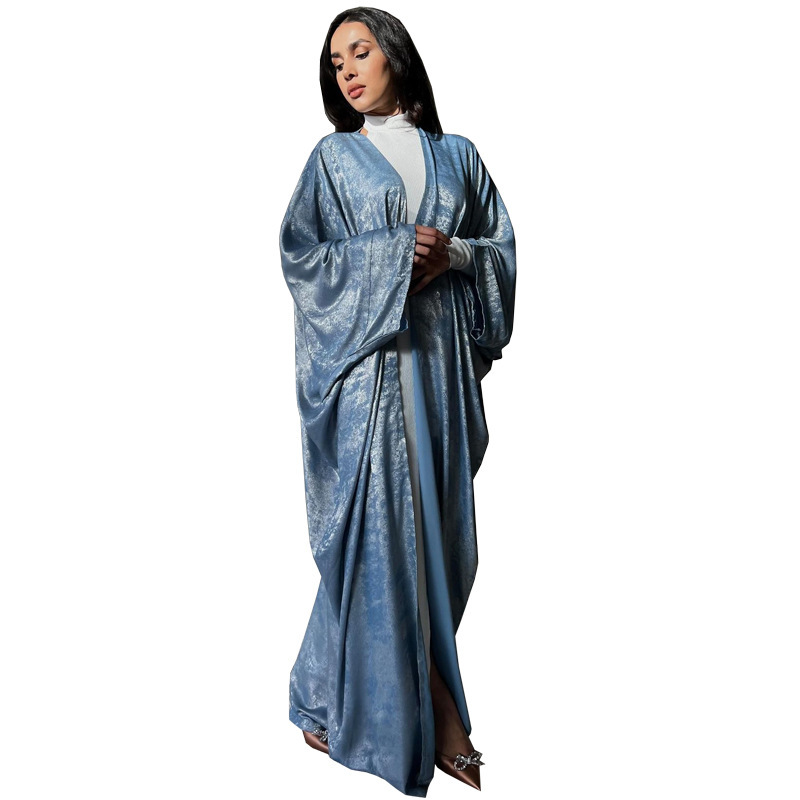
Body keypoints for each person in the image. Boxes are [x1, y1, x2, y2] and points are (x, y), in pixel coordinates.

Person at [279, 7, 516, 796]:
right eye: (335, 61)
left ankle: (323, 694)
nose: (347, 70)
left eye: (361, 51)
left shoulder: (458, 156)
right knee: (382, 531)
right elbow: (302, 259)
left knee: (440, 540)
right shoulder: (333, 159)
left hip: (440, 371)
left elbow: (501, 251)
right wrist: (387, 257)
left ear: (396, 57)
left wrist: (455, 253)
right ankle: (443, 719)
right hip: (373, 377)